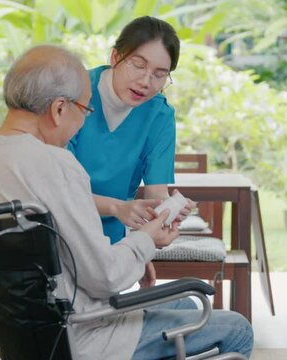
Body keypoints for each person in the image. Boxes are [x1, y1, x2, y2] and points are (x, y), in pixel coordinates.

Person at [0, 45, 253, 360]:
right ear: (60, 108)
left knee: (183, 305)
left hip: (32, 333)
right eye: (85, 110)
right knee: (237, 328)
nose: (84, 122)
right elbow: (104, 278)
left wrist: (137, 248)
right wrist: (147, 240)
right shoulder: (55, 163)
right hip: (86, 333)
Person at [68, 16, 194, 288]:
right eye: (138, 65)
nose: (146, 82)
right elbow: (57, 191)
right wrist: (118, 208)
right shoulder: (74, 94)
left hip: (113, 245)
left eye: (160, 74)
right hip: (63, 234)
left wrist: (165, 213)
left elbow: (155, 195)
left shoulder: (159, 114)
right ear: (116, 56)